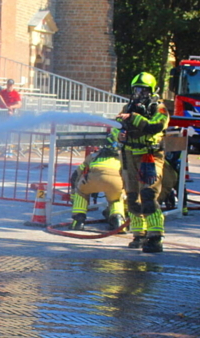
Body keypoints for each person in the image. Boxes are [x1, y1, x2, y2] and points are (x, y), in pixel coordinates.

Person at [119, 72, 169, 253]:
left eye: (143, 90)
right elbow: (120, 126)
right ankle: (138, 234)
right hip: (129, 156)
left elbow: (155, 126)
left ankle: (155, 237)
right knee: (132, 197)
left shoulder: (159, 109)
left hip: (149, 156)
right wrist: (120, 133)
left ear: (152, 91)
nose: (139, 93)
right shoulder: (128, 107)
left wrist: (133, 117)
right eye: (137, 89)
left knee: (148, 195)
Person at [70, 128, 125, 231]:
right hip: (116, 181)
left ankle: (78, 221)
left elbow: (76, 174)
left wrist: (73, 194)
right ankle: (118, 221)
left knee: (81, 193)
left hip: (92, 180)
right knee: (116, 199)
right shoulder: (123, 157)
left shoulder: (93, 156)